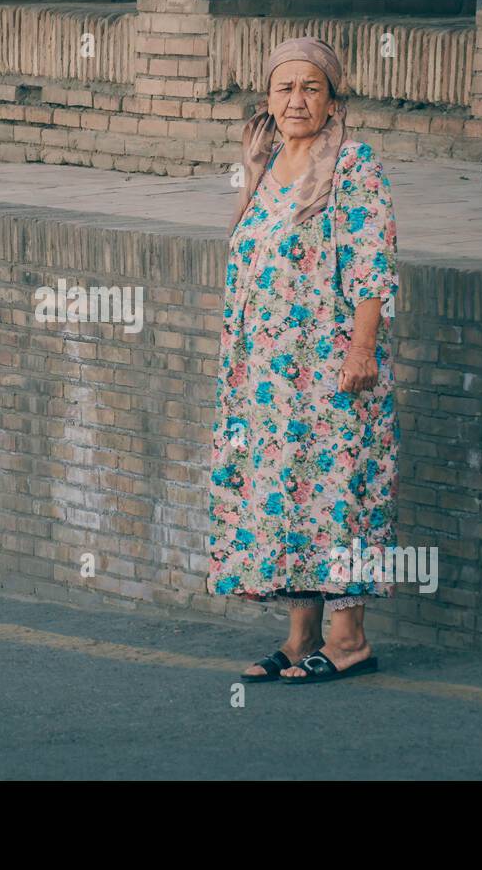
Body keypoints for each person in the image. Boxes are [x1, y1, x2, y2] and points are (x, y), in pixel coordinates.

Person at [207, 36, 400, 684]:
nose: (297, 100)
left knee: (338, 493)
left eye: (311, 87)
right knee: (286, 495)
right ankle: (299, 637)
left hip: (331, 370)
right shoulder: (262, 162)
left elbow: (374, 266)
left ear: (332, 99)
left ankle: (348, 640)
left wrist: (363, 349)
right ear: (268, 97)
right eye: (285, 87)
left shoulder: (353, 165)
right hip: (267, 378)